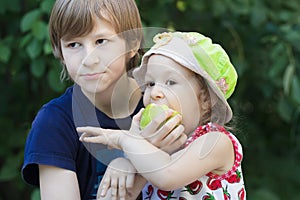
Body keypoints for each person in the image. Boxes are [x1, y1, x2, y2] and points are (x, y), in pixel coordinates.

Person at [21, 1, 186, 199]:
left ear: (132, 43)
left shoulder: (164, 99)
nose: (89, 59)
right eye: (74, 44)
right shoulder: (54, 123)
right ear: (61, 53)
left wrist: (129, 161)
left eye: (101, 41)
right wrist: (136, 158)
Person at [78, 31, 247, 200]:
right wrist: (126, 162)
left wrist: (126, 140)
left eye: (170, 82)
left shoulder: (216, 141)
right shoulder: (151, 152)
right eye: (150, 83)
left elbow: (167, 175)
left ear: (205, 99)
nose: (155, 92)